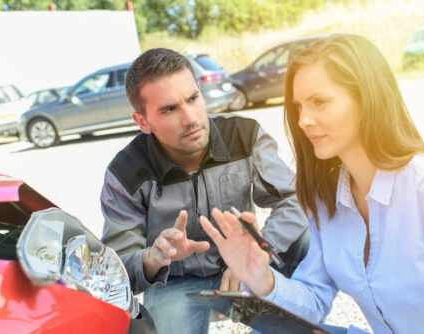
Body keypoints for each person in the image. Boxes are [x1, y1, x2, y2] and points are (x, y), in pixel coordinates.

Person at [199, 34, 424, 334]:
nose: (304, 120)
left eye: (319, 102)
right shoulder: (327, 200)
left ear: (367, 98)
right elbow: (314, 297)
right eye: (299, 107)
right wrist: (260, 276)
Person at [100, 48, 310, 334]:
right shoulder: (124, 173)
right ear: (143, 122)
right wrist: (152, 258)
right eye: (169, 109)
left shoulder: (244, 135)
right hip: (175, 283)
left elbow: (295, 199)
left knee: (307, 238)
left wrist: (255, 254)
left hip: (247, 271)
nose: (190, 118)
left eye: (193, 98)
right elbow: (116, 268)